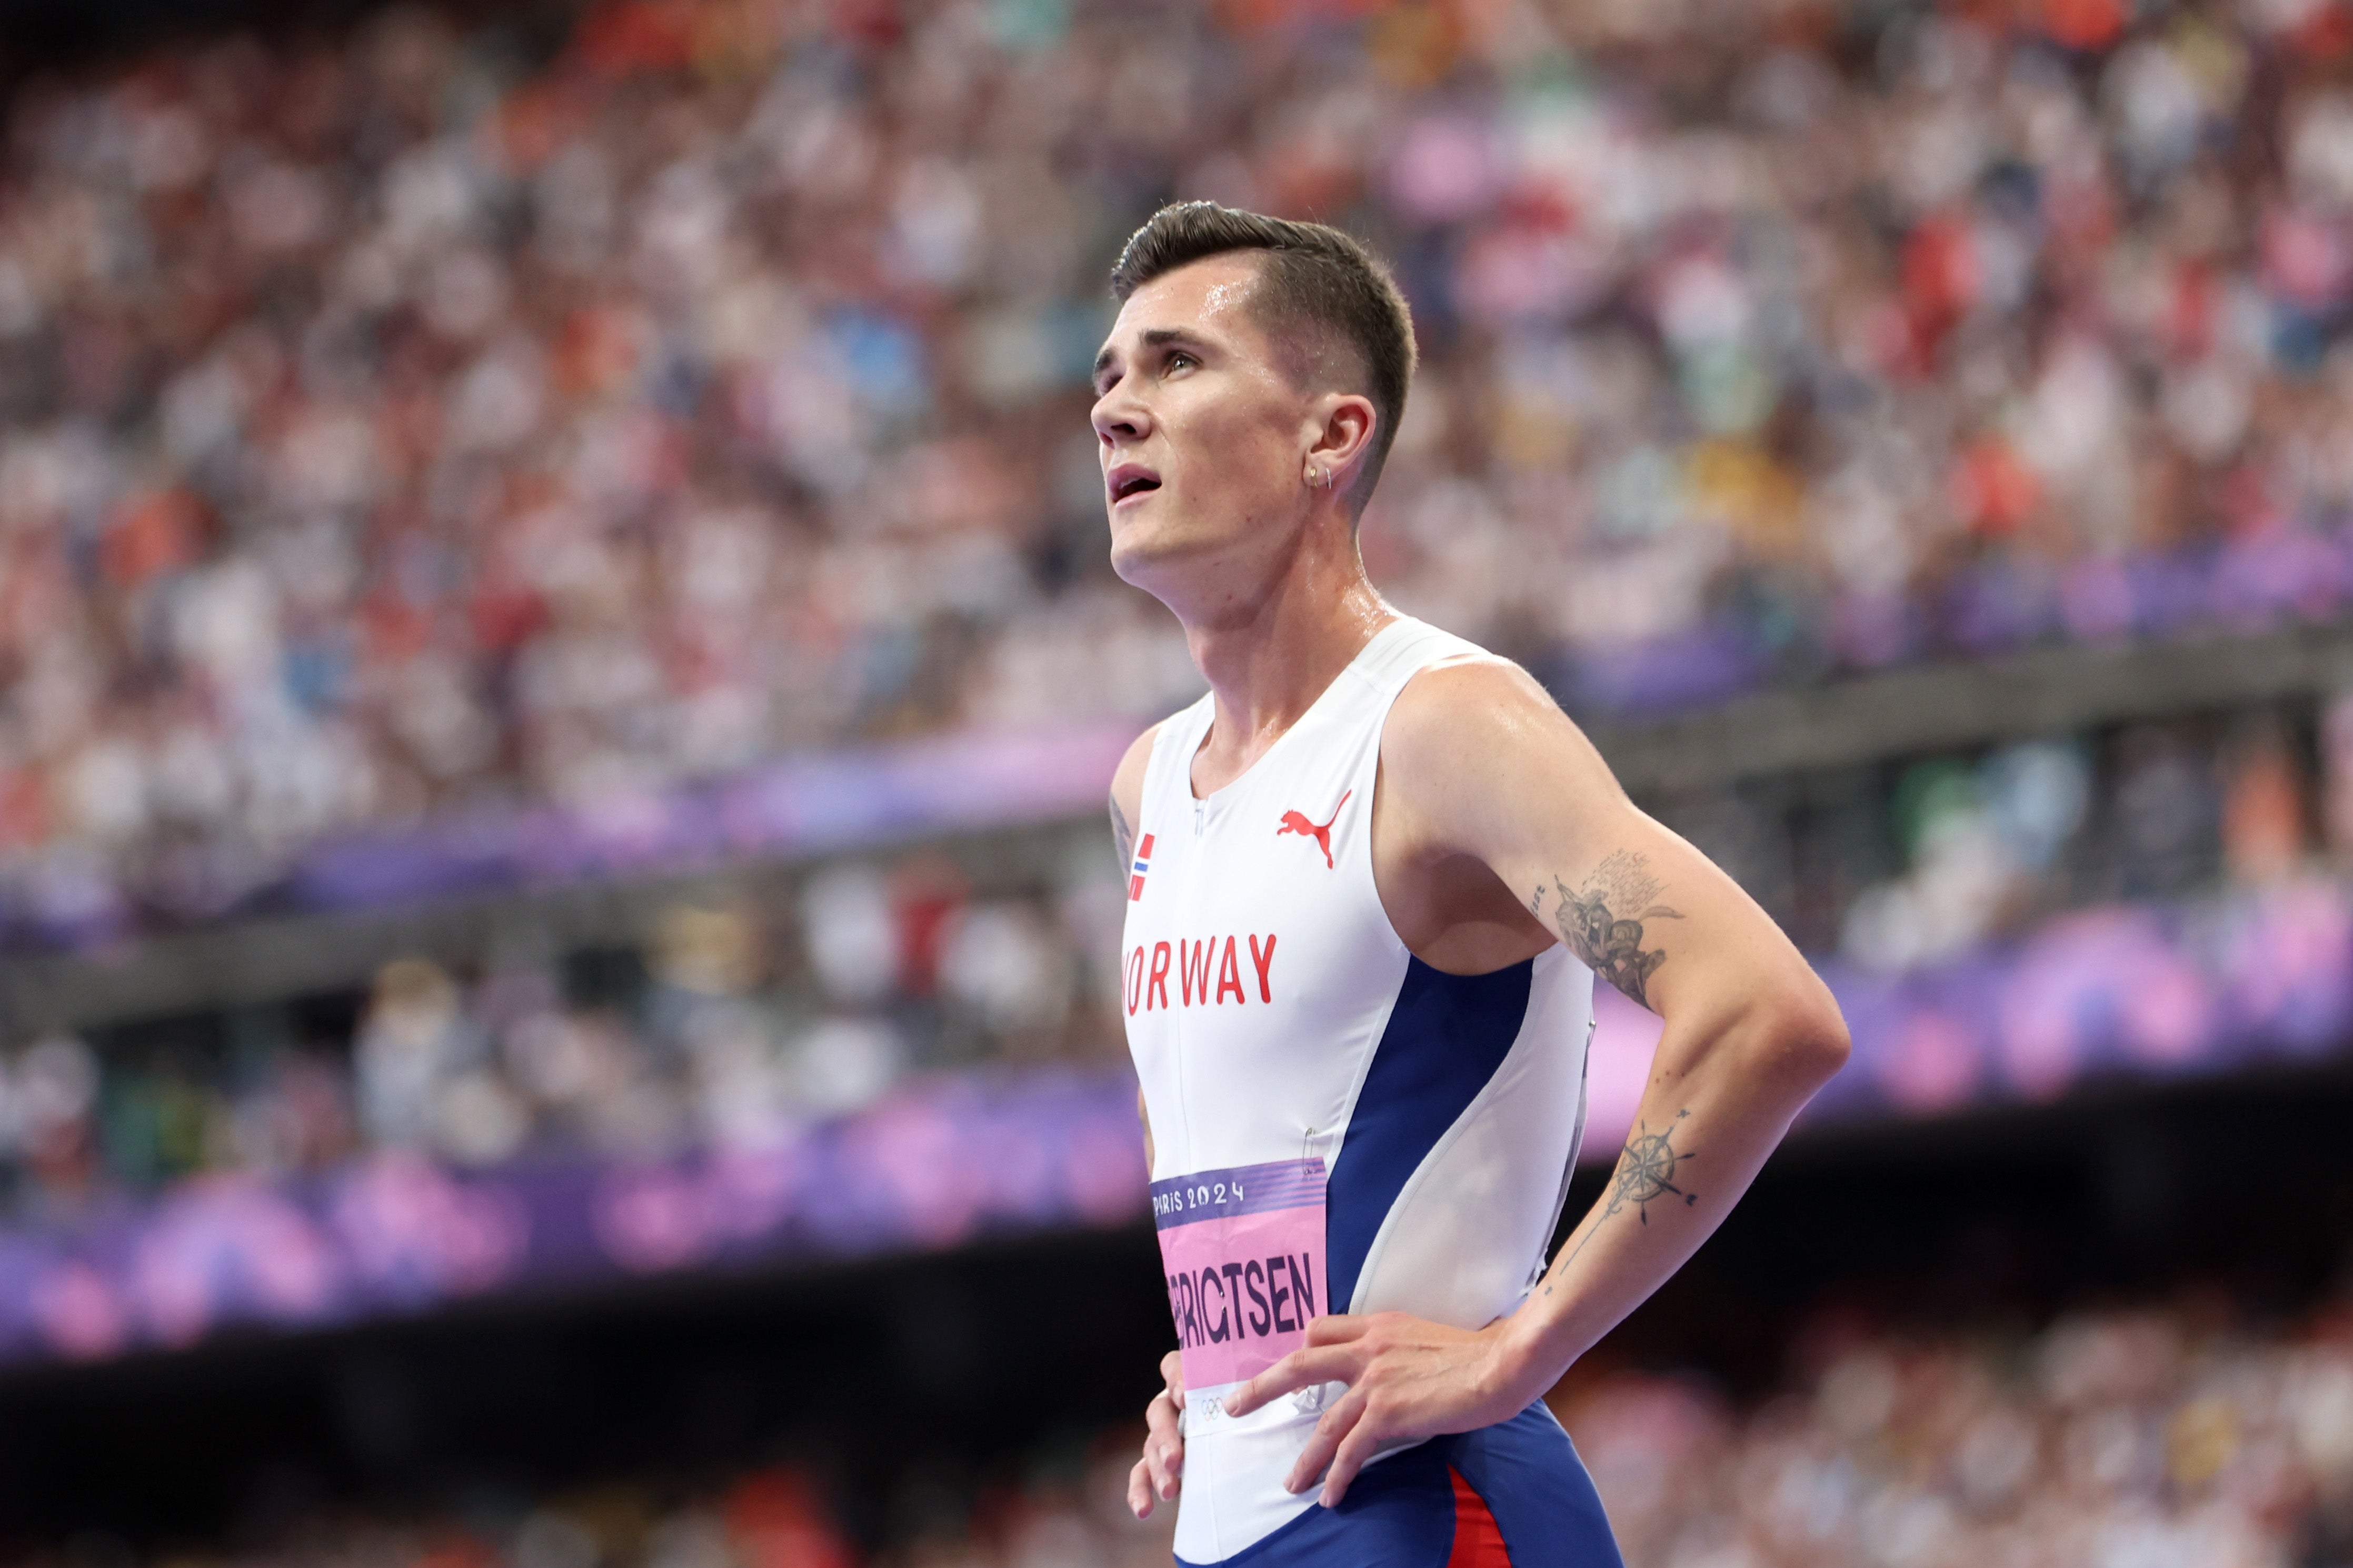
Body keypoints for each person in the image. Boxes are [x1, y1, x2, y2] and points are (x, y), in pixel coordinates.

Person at [1095, 202, 1851, 1567]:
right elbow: (1220, 1115)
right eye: (1108, 378)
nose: (1117, 410)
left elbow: (1768, 1012)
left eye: (1174, 364)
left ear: (1333, 434)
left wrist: (1523, 1344)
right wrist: (1215, 1356)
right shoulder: (1150, 787)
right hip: (1236, 1518)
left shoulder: (1439, 727)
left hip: (1428, 1516)